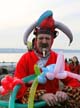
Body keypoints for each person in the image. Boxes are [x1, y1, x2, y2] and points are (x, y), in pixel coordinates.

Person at [14, 10, 80, 108]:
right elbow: (17, 86)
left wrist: (64, 93)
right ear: (36, 40)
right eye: (41, 38)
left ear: (52, 40)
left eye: (47, 38)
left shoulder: (57, 58)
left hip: (53, 105)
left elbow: (73, 80)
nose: (44, 41)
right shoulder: (25, 59)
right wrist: (41, 95)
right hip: (31, 105)